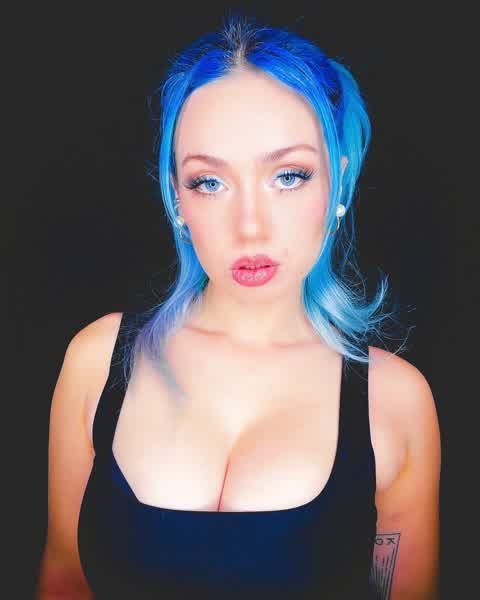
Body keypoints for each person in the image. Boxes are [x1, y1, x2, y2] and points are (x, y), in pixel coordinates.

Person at [36, 12, 440, 600]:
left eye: (289, 176)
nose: (250, 226)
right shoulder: (98, 361)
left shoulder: (395, 401)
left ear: (338, 180)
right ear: (177, 195)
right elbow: (63, 578)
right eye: (209, 182)